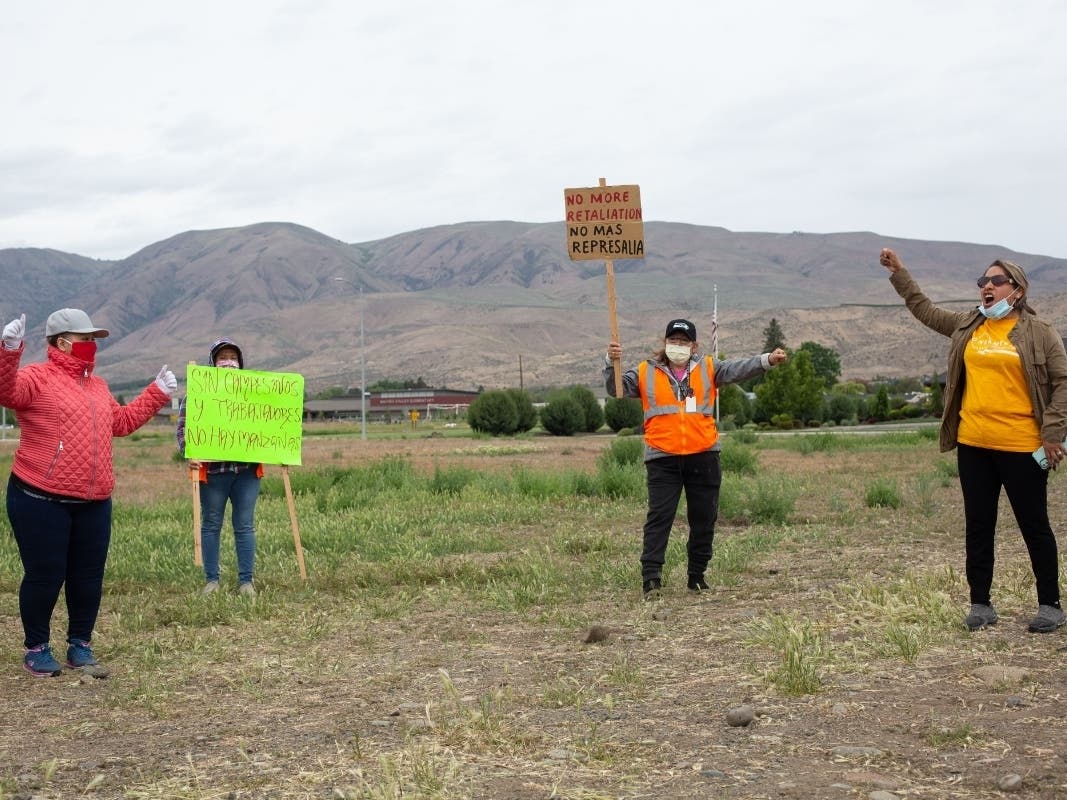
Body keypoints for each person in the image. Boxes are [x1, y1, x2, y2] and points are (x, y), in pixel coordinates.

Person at [880, 248, 1067, 633]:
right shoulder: (969, 325)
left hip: (1022, 447)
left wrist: (1052, 434)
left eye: (996, 281)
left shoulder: (1040, 332)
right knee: (979, 525)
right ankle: (980, 603)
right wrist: (900, 273)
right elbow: (925, 310)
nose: (986, 287)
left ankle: (1050, 604)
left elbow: (1063, 382)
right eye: (982, 281)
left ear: (1016, 289)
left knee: (1034, 525)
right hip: (974, 445)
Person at [0, 309, 176, 677]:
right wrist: (9, 350)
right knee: (46, 574)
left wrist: (157, 392)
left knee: (88, 576)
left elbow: (122, 423)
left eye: (94, 339)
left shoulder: (97, 386)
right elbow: (6, 391)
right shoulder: (35, 377)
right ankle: (36, 648)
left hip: (94, 500)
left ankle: (80, 644)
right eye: (86, 338)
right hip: (39, 497)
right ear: (62, 342)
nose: (92, 345)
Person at [605, 318, 788, 598]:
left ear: (694, 345)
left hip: (703, 456)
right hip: (662, 458)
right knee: (659, 518)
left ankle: (697, 576)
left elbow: (739, 368)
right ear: (665, 343)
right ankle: (651, 578)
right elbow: (615, 389)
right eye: (673, 340)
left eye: (683, 341)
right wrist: (611, 361)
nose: (677, 346)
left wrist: (767, 360)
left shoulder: (709, 368)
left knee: (703, 519)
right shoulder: (644, 371)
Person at [175, 339, 263, 597]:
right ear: (212, 362)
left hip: (246, 472)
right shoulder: (197, 396)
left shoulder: (253, 394)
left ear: (240, 363)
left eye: (233, 357)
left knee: (245, 525)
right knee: (211, 523)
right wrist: (188, 452)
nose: (228, 361)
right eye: (222, 357)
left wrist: (280, 448)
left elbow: (270, 424)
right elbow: (183, 429)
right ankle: (212, 580)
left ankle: (246, 582)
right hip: (213, 474)